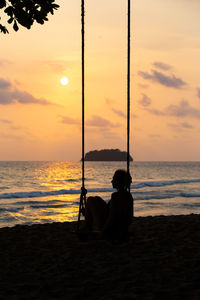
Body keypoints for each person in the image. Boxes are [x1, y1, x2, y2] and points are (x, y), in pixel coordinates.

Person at [85, 169, 133, 240]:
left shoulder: (116, 196)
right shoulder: (128, 195)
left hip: (112, 228)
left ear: (118, 181)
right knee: (96, 199)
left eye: (113, 179)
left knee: (90, 200)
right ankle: (88, 225)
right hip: (121, 227)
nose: (112, 181)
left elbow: (112, 217)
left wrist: (103, 232)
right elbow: (129, 217)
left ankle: (88, 226)